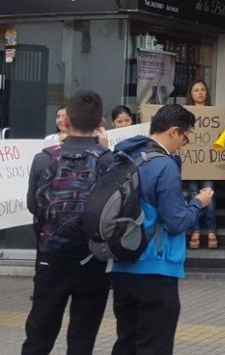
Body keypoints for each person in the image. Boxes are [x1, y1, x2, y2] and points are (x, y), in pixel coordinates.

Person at [109, 104, 213, 355]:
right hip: (156, 266)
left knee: (126, 342)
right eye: (185, 138)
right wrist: (198, 203)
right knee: (154, 345)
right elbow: (176, 221)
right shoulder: (164, 165)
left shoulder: (120, 158)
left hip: (121, 264)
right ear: (174, 131)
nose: (183, 144)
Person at [22, 90, 111, 355]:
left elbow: (33, 205)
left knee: (39, 333)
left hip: (51, 255)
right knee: (83, 337)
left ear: (66, 120)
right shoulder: (108, 160)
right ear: (101, 122)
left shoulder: (44, 158)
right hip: (93, 258)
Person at [183, 81, 218, 250]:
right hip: (190, 163)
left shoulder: (215, 113)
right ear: (190, 94)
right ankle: (195, 230)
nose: (200, 93)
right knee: (192, 194)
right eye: (196, 90)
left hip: (207, 163)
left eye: (203, 89)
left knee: (208, 194)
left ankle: (211, 230)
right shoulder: (184, 114)